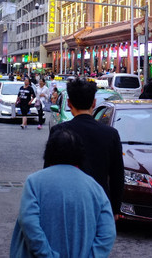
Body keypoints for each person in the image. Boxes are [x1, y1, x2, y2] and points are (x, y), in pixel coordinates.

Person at [10, 128, 116, 258]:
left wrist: (47, 254)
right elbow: (108, 233)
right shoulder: (95, 188)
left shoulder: (35, 182)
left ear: (49, 152)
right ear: (80, 154)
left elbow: (28, 223)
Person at [50, 78, 124, 217]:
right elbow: (117, 176)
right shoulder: (110, 134)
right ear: (94, 103)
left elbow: (49, 172)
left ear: (69, 103)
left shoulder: (59, 131)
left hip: (66, 203)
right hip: (99, 203)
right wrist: (115, 210)